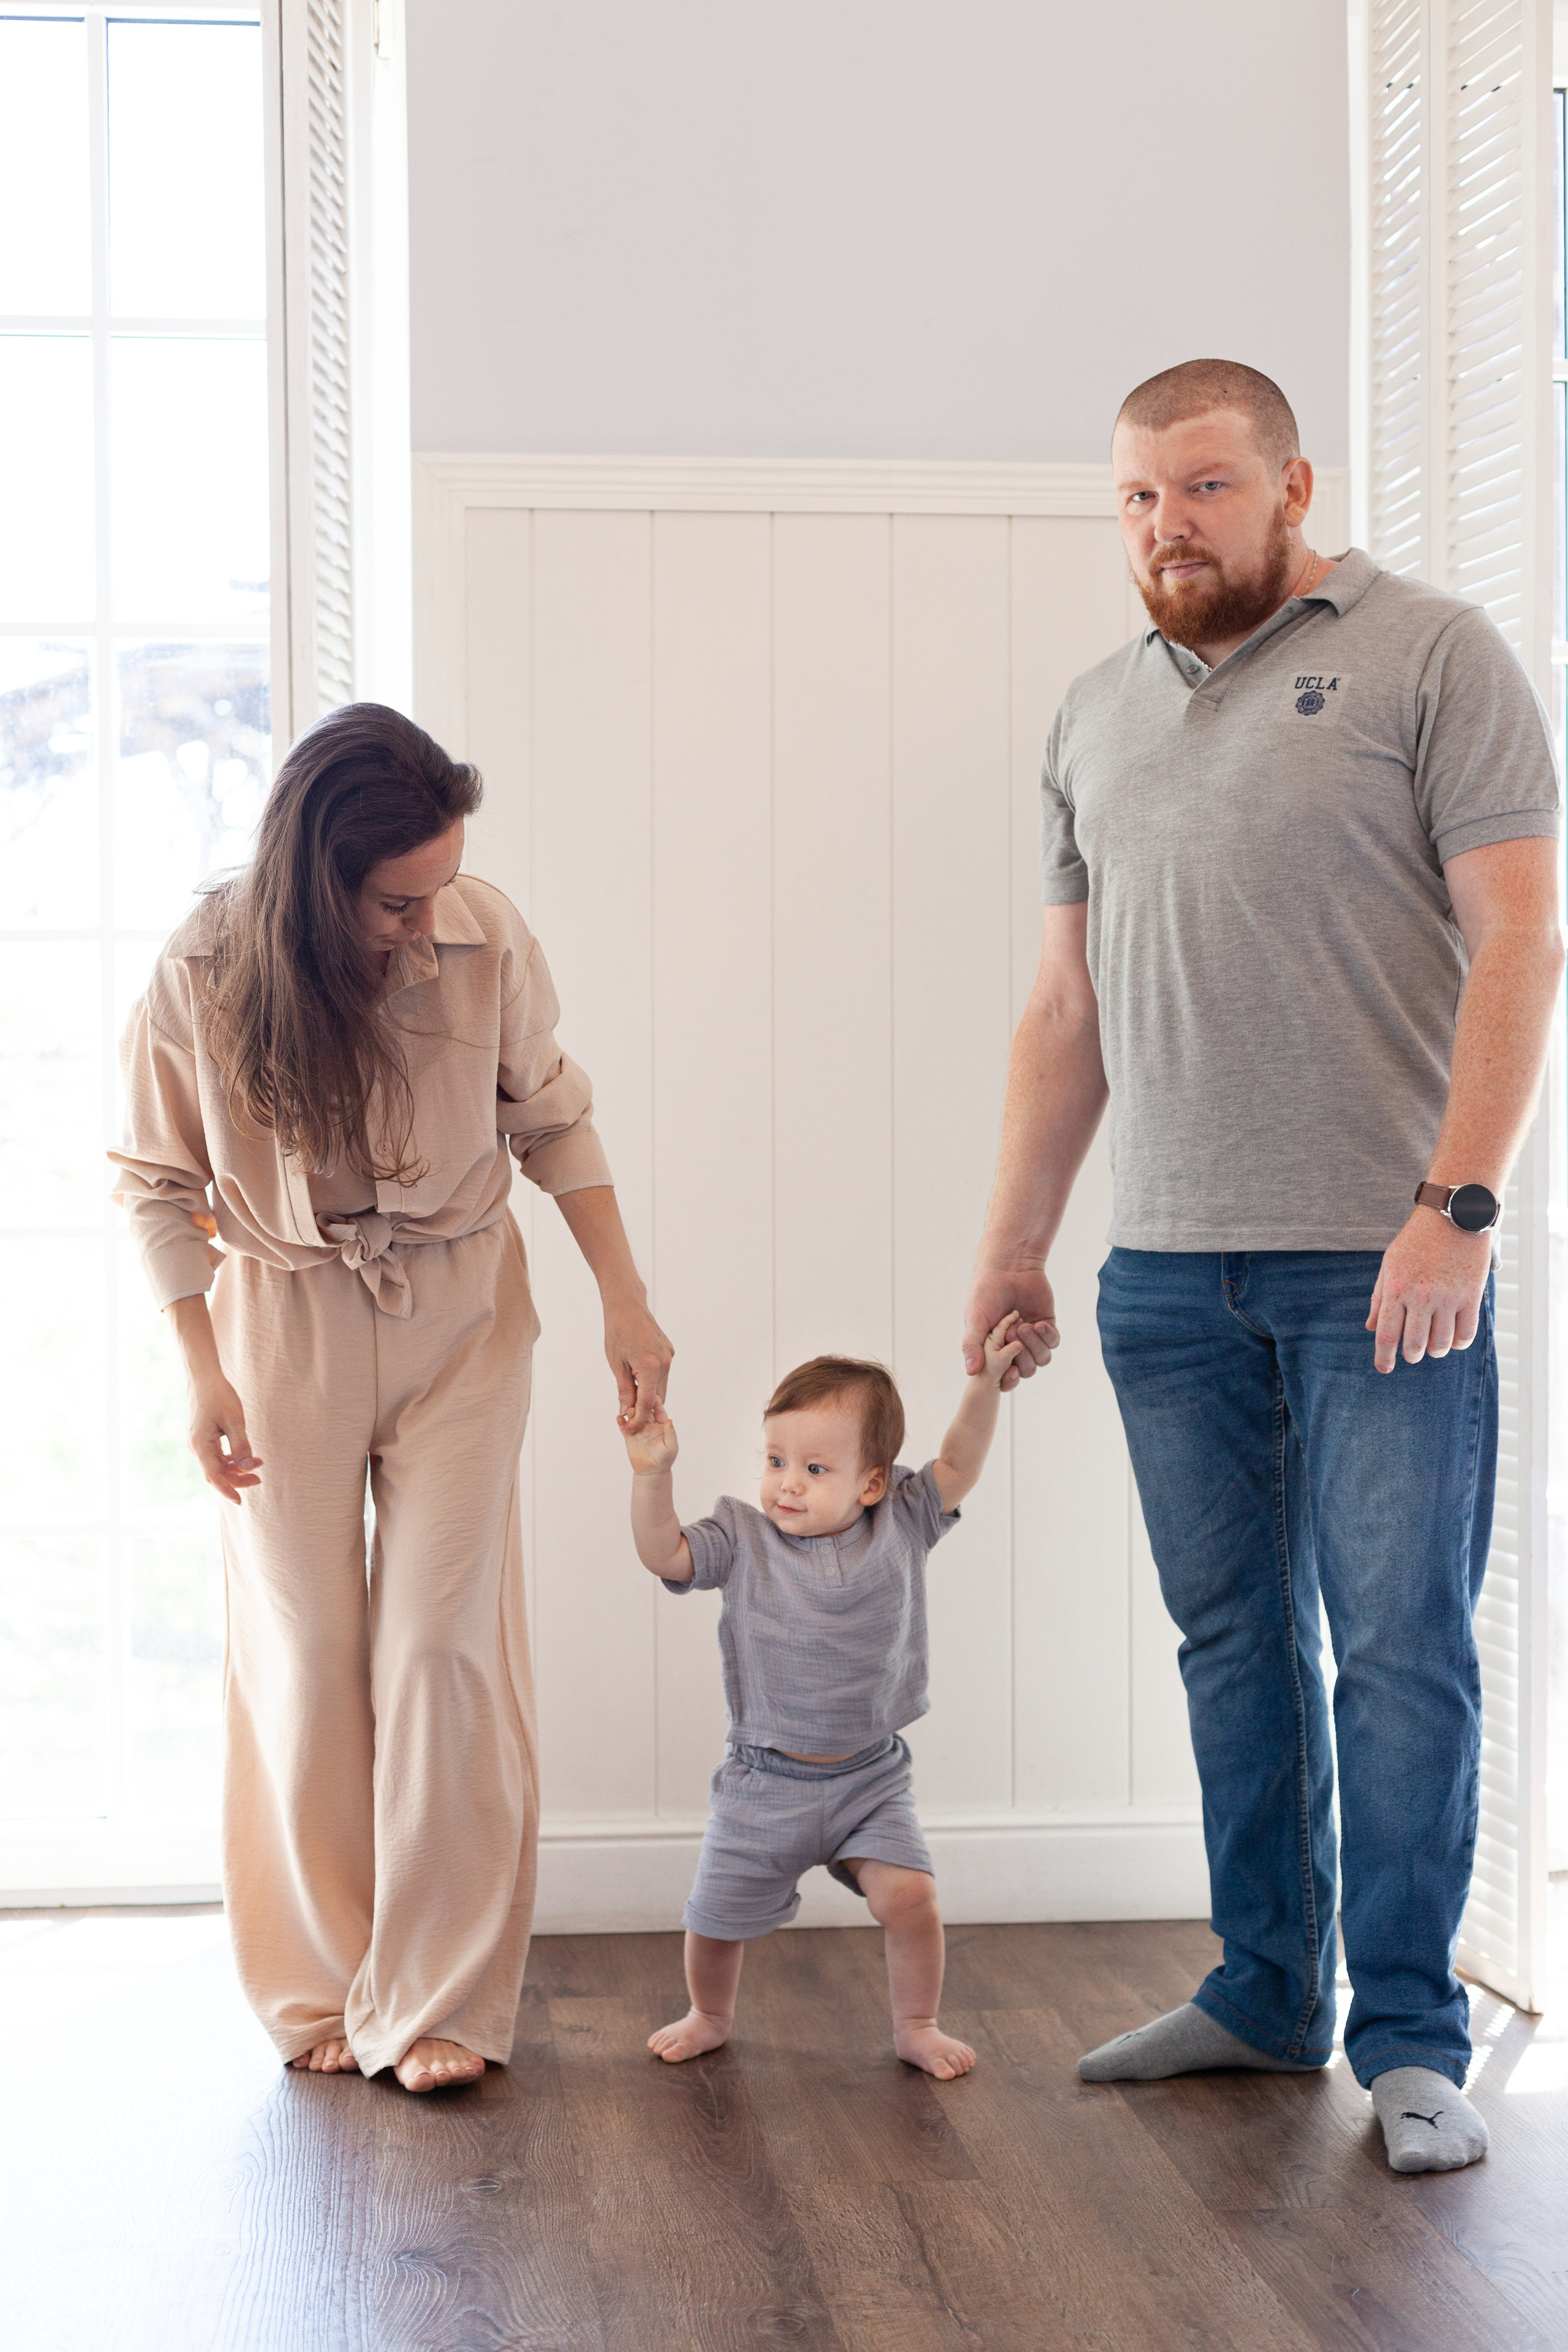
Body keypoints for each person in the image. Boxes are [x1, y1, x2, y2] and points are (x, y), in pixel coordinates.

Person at [961, 360, 1563, 2175]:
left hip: (1380, 1265)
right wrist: (1015, 1244)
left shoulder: (1431, 656)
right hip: (1167, 1273)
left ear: (1292, 482)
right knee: (1232, 1638)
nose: (1167, 526)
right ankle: (1259, 1987)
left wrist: (1456, 1204)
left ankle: (1406, 2038)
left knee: (1395, 1650)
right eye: (1137, 497)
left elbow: (1520, 937)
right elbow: (1064, 1005)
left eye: (1205, 488)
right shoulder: (1090, 712)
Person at [110, 703, 672, 2092]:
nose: (428, 923)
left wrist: (624, 1295)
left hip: (462, 1317)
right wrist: (202, 1370)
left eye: (440, 886)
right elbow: (156, 1180)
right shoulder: (200, 969)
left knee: (440, 1653)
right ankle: (320, 1989)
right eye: (396, 901)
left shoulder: (484, 933)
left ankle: (435, 2003)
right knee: (305, 1666)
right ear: (316, 884)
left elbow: (552, 1117)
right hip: (279, 1325)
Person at [621, 1322, 1025, 2078]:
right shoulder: (744, 1538)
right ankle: (708, 2013)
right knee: (713, 1919)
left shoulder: (901, 1520)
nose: (786, 1483)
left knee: (911, 1900)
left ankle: (917, 2023)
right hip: (764, 1781)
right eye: (774, 1461)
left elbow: (959, 1462)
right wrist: (651, 1474)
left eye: (812, 1467)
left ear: (871, 1483)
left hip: (870, 1779)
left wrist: (983, 1387)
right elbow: (662, 1553)